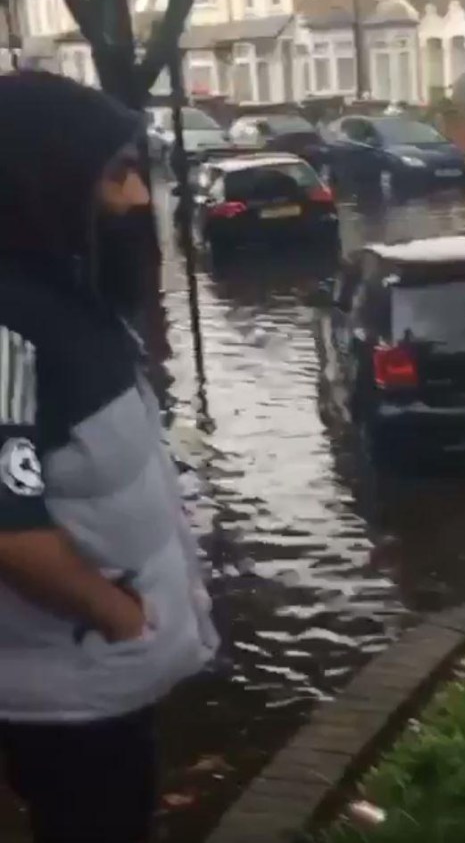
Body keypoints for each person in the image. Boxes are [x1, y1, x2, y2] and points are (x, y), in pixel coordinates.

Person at [0, 71, 219, 842]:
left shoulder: (67, 292)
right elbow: (8, 526)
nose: (136, 199)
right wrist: (119, 617)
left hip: (104, 683)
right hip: (69, 692)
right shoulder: (5, 329)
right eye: (116, 176)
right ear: (45, 182)